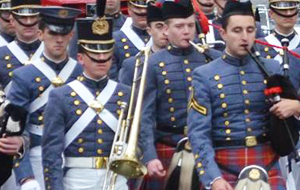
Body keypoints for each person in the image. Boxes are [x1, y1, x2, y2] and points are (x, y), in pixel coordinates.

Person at [187, 1, 300, 190]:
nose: (245, 37)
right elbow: (198, 134)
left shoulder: (271, 68)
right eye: (237, 30)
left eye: (250, 30)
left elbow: (291, 109)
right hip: (224, 166)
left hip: (269, 162)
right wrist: (213, 178)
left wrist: (296, 106)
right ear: (223, 33)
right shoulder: (204, 75)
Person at [41, 5, 131, 190]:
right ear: (81, 58)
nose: (101, 60)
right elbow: (52, 151)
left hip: (117, 177)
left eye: (106, 55)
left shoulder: (126, 93)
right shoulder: (60, 96)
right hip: (78, 178)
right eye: (95, 55)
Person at [139, 0, 222, 189]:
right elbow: (146, 115)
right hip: (167, 147)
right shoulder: (153, 64)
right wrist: (150, 155)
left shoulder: (212, 58)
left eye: (191, 25)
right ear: (166, 30)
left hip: (207, 147)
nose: (186, 31)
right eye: (179, 26)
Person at [7, 6, 82, 190]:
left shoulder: (82, 73)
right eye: (53, 33)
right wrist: (25, 177)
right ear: (40, 34)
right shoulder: (23, 76)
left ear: (71, 36)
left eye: (64, 34)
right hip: (37, 156)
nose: (59, 39)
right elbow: (15, 132)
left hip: (78, 159)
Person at [118, 0, 168, 86]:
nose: (165, 32)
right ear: (149, 30)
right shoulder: (131, 64)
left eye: (167, 27)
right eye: (159, 27)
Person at [0, 0, 43, 94]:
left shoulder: (53, 52)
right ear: (12, 20)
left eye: (33, 17)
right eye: (23, 17)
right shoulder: (1, 54)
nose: (28, 22)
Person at [111, 0, 151, 80]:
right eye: (138, 13)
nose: (142, 13)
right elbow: (112, 77)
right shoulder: (116, 39)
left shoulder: (163, 37)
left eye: (145, 13)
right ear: (129, 10)